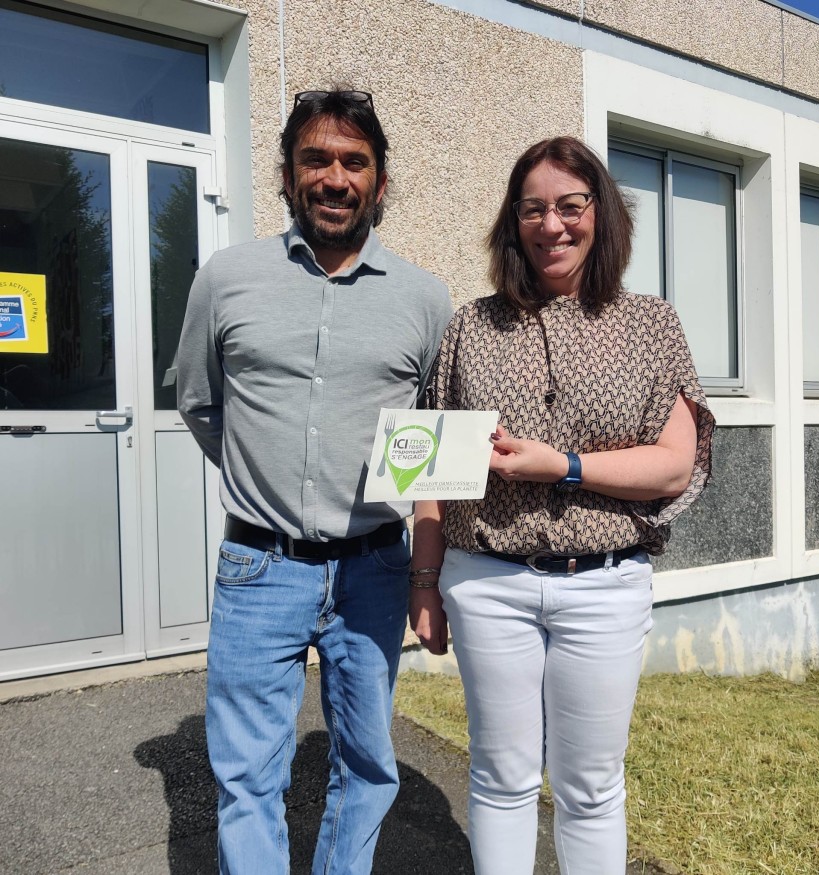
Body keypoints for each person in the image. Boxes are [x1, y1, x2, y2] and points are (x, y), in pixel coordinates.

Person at [409, 136, 714, 875]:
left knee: (590, 787)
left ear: (599, 213)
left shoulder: (650, 324)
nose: (552, 225)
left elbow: (674, 465)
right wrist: (423, 584)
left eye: (570, 206)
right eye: (532, 209)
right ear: (512, 222)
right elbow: (430, 470)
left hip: (604, 585)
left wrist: (566, 467)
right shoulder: (470, 327)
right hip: (487, 583)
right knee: (500, 776)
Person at [177, 87, 453, 875]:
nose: (335, 178)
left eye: (353, 162)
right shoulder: (226, 279)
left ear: (380, 180)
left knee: (366, 764)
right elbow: (199, 402)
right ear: (287, 174)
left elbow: (434, 439)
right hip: (258, 567)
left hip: (375, 567)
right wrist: (262, 474)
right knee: (246, 777)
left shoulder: (423, 298)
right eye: (316, 159)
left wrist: (425, 574)